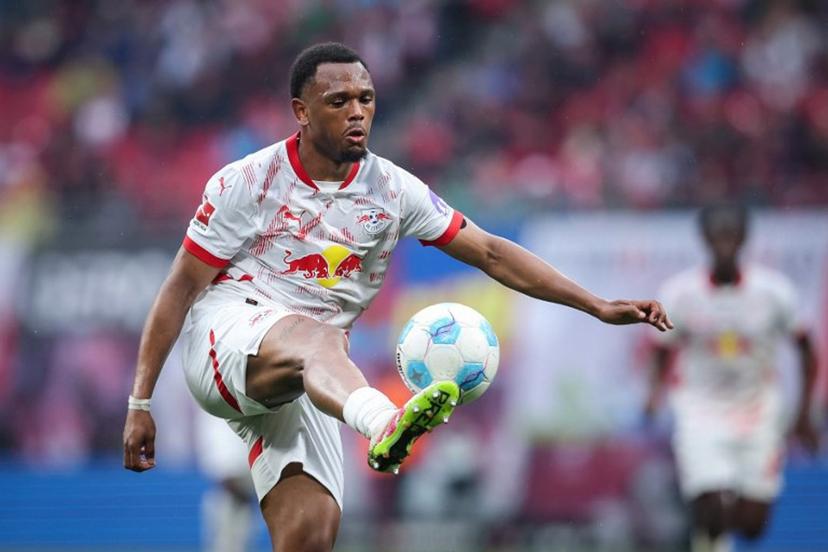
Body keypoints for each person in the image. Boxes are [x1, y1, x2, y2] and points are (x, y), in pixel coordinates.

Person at [123, 42, 672, 552]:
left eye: (366, 98)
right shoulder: (247, 181)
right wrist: (141, 402)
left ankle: (375, 423)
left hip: (303, 379)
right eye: (338, 101)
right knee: (316, 338)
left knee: (312, 535)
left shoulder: (392, 191)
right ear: (302, 111)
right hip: (227, 338)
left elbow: (491, 253)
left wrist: (597, 304)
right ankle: (385, 422)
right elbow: (181, 287)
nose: (357, 111)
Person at [644, 205, 820, 552]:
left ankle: (719, 523)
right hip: (700, 408)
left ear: (743, 239)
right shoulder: (681, 293)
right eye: (717, 237)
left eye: (731, 236)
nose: (724, 245)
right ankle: (709, 529)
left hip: (758, 410)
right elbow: (660, 348)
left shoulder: (773, 292)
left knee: (754, 526)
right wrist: (653, 392)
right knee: (711, 506)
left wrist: (803, 414)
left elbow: (806, 351)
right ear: (705, 240)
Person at [194, 408, 256, 552]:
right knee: (226, 542)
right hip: (230, 493)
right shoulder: (216, 415)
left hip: (242, 490)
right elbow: (225, 469)